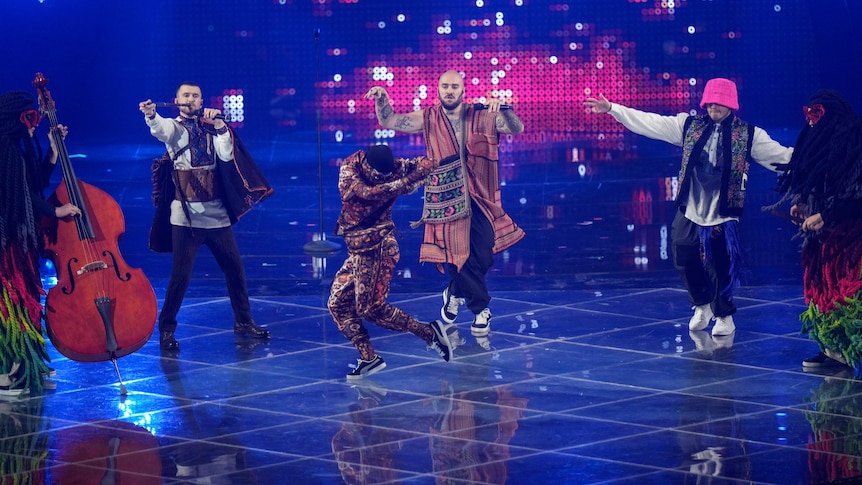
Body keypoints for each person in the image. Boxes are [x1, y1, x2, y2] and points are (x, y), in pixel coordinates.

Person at [584, 78, 793, 336]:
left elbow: (781, 157)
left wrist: (816, 155)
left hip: (722, 209)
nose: (714, 107)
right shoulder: (688, 126)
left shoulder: (748, 134)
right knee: (683, 254)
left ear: (730, 104)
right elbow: (651, 123)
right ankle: (702, 305)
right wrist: (614, 109)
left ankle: (724, 315)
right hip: (690, 205)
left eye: (720, 102)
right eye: (711, 102)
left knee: (720, 263)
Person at [364, 70, 525, 338]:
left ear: (463, 91)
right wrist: (382, 99)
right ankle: (481, 310)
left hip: (479, 196)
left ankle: (454, 291)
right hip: (445, 198)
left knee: (482, 254)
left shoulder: (481, 114)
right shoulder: (428, 118)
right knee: (457, 256)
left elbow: (516, 128)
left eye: (454, 87)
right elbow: (389, 121)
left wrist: (505, 109)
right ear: (438, 90)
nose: (449, 91)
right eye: (445, 86)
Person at [138, 82, 273, 353]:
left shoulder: (213, 128)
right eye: (186, 95)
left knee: (235, 268)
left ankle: (244, 322)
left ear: (202, 101)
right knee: (181, 276)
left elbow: (225, 155)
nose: (191, 99)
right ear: (176, 100)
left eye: (195, 96)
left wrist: (221, 127)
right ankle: (166, 330)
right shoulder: (174, 129)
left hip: (216, 215)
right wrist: (151, 115)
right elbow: (160, 129)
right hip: (186, 218)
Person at [328, 144, 461, 379]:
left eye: (386, 176)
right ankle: (369, 357)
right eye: (378, 176)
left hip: (378, 249)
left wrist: (427, 166)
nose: (382, 178)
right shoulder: (349, 170)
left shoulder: (394, 169)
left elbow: (418, 165)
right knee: (338, 304)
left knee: (369, 308)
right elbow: (370, 193)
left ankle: (429, 334)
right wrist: (407, 181)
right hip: (359, 251)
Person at [768, 90, 862, 370]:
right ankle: (835, 351)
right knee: (823, 289)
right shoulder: (818, 142)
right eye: (807, 114)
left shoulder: (853, 142)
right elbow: (815, 182)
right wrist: (803, 204)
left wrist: (827, 214)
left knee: (849, 290)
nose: (810, 121)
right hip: (826, 237)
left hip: (852, 235)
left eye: (816, 114)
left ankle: (850, 347)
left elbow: (856, 197)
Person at [0, 90, 80, 395]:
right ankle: (5, 371)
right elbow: (22, 197)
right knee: (8, 305)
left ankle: (29, 365)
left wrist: (52, 151)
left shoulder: (18, 149)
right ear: (15, 121)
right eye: (31, 119)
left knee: (26, 302)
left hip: (21, 240)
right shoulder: (4, 150)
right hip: (7, 242)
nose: (34, 124)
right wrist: (56, 210)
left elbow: (35, 184)